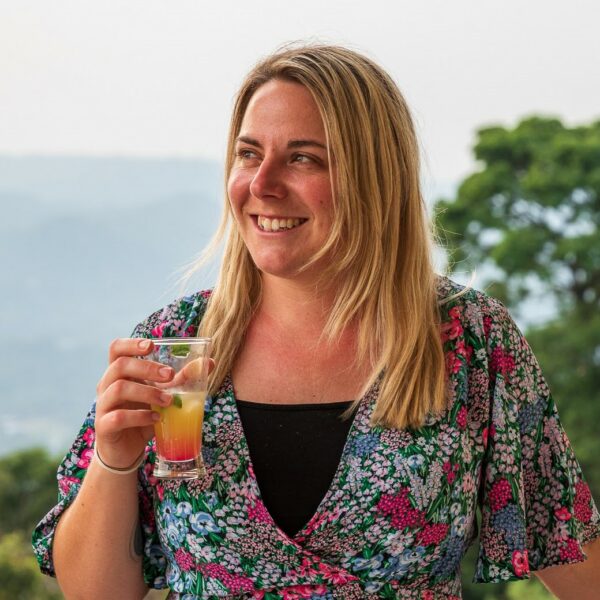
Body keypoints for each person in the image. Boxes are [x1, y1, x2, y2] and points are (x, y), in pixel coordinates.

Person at [33, 44, 600, 599]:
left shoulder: (469, 340)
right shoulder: (173, 342)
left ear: (373, 177)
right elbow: (96, 592)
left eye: (303, 157)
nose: (261, 184)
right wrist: (115, 457)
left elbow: (573, 552)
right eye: (249, 153)